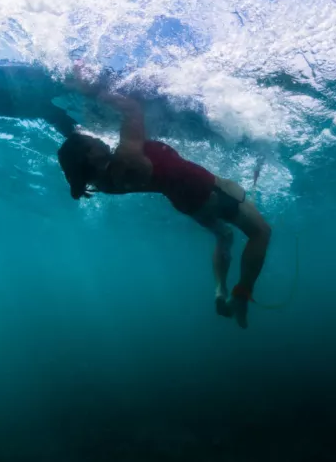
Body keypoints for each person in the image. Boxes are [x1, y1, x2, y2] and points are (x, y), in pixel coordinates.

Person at [58, 69, 271, 329]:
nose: (98, 139)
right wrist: (90, 90)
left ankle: (219, 290)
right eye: (93, 141)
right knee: (261, 232)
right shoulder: (128, 155)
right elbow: (132, 107)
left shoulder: (104, 183)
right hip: (210, 191)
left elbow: (86, 156)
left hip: (185, 202)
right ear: (90, 155)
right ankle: (242, 295)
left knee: (224, 236)